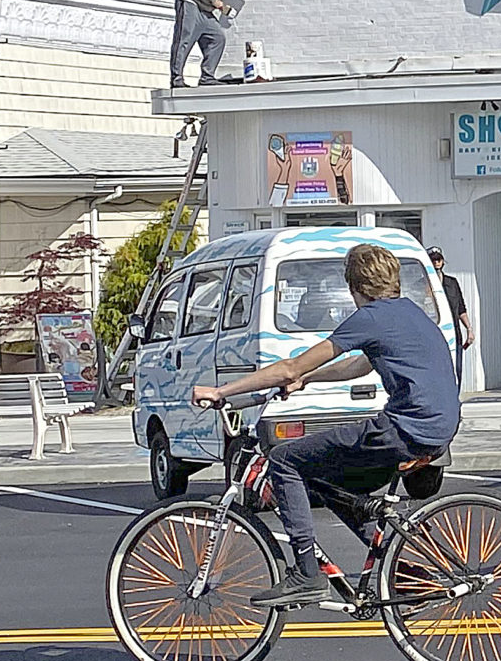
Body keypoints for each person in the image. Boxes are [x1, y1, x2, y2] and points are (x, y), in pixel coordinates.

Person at [192, 241, 462, 609]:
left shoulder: (371, 317)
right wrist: (309, 381)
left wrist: (222, 391)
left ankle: (306, 575)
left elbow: (289, 367)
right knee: (333, 483)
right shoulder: (409, 313)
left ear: (355, 288)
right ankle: (409, 573)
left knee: (285, 461)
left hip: (405, 429)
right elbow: (359, 366)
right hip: (436, 428)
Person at [429, 248, 473, 383]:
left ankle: (455, 399)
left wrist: (469, 329)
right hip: (433, 333)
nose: (436, 262)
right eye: (433, 260)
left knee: (457, 370)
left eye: (439, 259)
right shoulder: (423, 284)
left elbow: (461, 308)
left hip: (454, 333)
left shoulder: (452, 282)